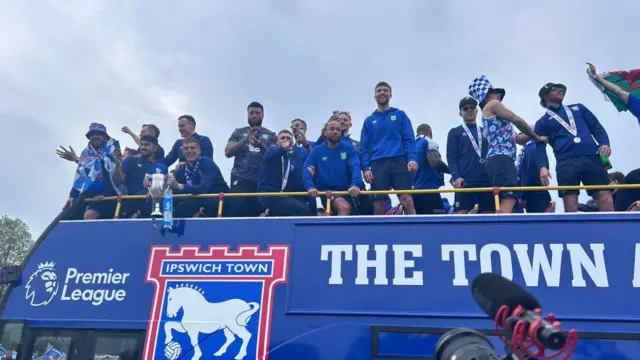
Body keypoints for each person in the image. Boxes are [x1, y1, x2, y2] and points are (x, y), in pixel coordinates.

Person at [467, 75, 543, 213]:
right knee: (509, 196)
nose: (499, 96)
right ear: (487, 94)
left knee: (500, 197)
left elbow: (518, 139)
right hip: (501, 157)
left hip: (496, 159)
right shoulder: (493, 105)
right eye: (495, 92)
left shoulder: (493, 121)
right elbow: (516, 120)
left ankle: (497, 225)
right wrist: (536, 137)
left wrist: (540, 127)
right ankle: (500, 227)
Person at [535, 82, 614, 212]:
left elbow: (596, 127)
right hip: (566, 161)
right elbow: (540, 147)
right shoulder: (542, 122)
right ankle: (573, 231)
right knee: (570, 200)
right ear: (545, 96)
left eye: (561, 89)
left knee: (604, 195)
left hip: (591, 156)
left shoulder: (578, 108)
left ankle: (611, 229)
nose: (560, 91)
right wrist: (543, 167)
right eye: (555, 89)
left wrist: (604, 143)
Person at [360, 81, 418, 215]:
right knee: (379, 203)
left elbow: (409, 139)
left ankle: (415, 231)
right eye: (379, 90)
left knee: (406, 199)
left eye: (385, 90)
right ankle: (377, 234)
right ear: (374, 96)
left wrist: (412, 159)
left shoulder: (400, 115)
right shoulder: (369, 120)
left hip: (399, 161)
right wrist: (365, 168)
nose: (382, 93)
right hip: (377, 163)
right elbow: (364, 147)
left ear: (390, 95)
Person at [225, 101, 278, 217]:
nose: (254, 115)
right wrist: (245, 139)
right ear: (247, 115)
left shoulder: (271, 135)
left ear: (262, 115)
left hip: (262, 179)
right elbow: (228, 152)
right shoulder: (238, 132)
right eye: (251, 113)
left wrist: (262, 146)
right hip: (240, 177)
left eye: (257, 113)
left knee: (258, 212)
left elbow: (276, 158)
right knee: (237, 211)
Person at [446, 97, 495, 214]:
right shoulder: (455, 132)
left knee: (488, 215)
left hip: (486, 180)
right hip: (465, 181)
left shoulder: (486, 131)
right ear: (460, 113)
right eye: (465, 108)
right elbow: (451, 157)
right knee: (461, 215)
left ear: (477, 111)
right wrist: (456, 176)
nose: (469, 110)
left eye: (472, 108)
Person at [304, 118, 362, 216]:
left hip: (347, 191)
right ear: (325, 132)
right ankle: (339, 232)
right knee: (343, 207)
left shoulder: (348, 148)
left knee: (370, 206)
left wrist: (355, 184)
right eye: (332, 129)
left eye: (338, 129)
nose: (335, 132)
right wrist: (310, 187)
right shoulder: (316, 151)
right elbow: (307, 170)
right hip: (326, 192)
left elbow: (355, 166)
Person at [169, 137, 230, 217]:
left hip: (217, 200)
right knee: (171, 205)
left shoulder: (207, 163)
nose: (189, 150)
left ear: (199, 151)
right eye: (186, 148)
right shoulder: (181, 170)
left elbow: (203, 188)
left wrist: (179, 186)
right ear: (183, 152)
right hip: (198, 200)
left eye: (193, 148)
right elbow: (175, 189)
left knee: (185, 205)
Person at [258, 130, 313, 216]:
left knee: (308, 206)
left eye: (288, 138)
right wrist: (282, 149)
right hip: (268, 194)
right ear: (277, 141)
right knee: (302, 210)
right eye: (282, 138)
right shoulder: (271, 150)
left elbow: (298, 182)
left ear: (292, 143)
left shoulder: (292, 162)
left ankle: (269, 214)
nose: (285, 140)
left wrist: (309, 173)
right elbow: (274, 153)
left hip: (282, 196)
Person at [118, 135, 168, 218]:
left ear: (155, 148)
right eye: (142, 145)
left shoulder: (162, 167)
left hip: (155, 202)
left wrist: (154, 191)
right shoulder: (131, 160)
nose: (143, 147)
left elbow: (166, 187)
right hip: (132, 201)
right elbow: (119, 181)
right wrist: (117, 164)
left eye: (147, 145)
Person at [413, 123, 449, 214]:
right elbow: (435, 162)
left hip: (413, 193)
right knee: (439, 224)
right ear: (430, 132)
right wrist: (454, 172)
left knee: (419, 225)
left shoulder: (411, 146)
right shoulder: (428, 141)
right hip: (429, 191)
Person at [515, 134, 551, 213]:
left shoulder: (532, 148)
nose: (518, 136)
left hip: (536, 196)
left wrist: (524, 196)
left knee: (538, 224)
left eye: (521, 133)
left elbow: (533, 174)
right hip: (534, 196)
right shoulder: (529, 148)